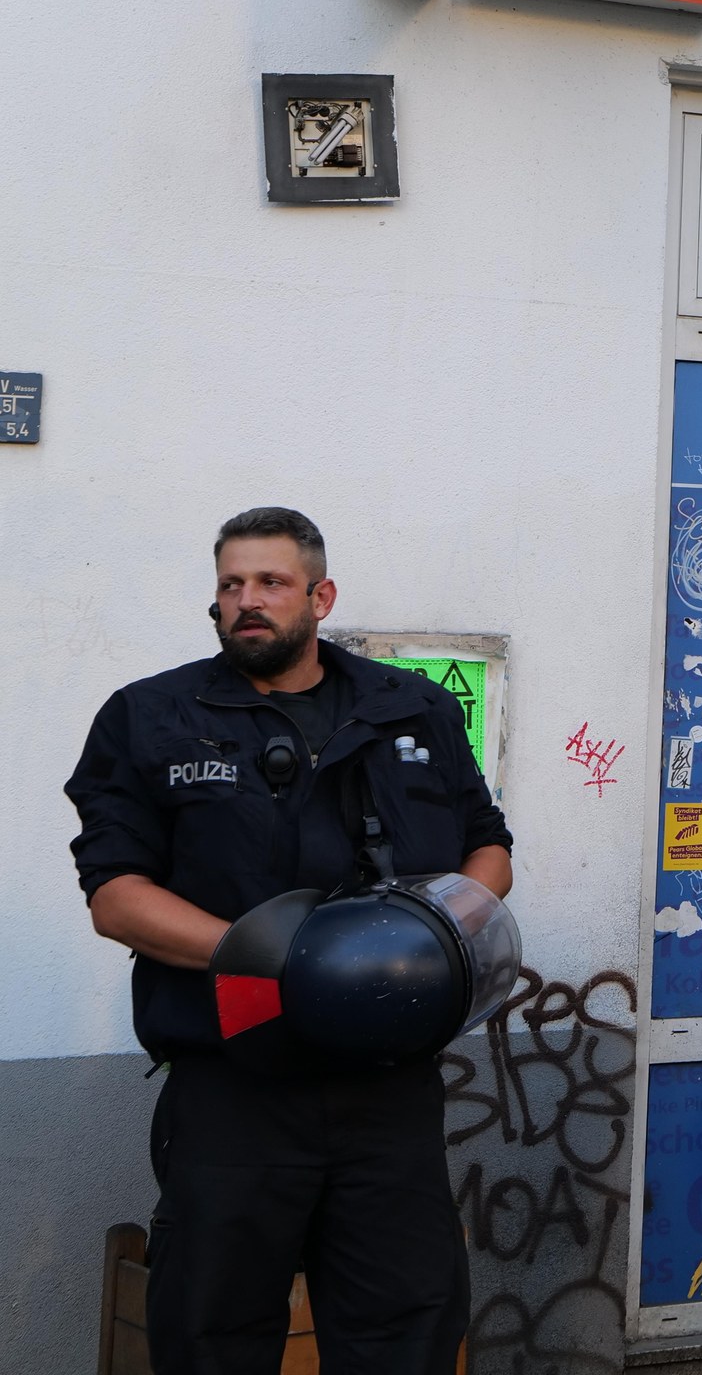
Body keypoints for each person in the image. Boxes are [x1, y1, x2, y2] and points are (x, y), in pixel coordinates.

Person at [67, 507, 513, 1375]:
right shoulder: (149, 717)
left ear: (320, 595)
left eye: (270, 583)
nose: (247, 602)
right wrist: (282, 961)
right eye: (231, 585)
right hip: (234, 1090)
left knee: (406, 1333)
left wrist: (441, 927)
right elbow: (116, 898)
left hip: (389, 1096)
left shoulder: (410, 710)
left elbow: (487, 847)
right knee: (213, 1335)